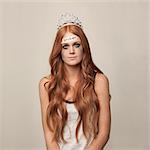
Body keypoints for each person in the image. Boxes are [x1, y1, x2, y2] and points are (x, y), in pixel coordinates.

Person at [39, 13, 111, 150]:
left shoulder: (99, 81)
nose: (71, 51)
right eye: (65, 46)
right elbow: (49, 136)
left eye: (76, 45)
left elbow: (103, 134)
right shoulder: (46, 84)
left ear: (84, 47)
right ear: (59, 50)